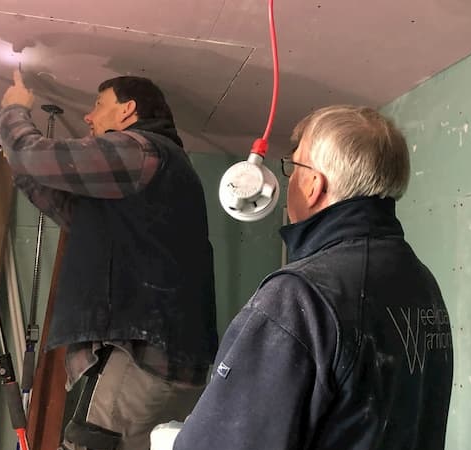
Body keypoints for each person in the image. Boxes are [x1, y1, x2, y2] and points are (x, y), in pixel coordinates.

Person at [153, 105, 453, 450]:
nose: (289, 179)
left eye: (293, 168)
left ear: (314, 184)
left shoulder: (300, 295)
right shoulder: (419, 281)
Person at [0, 70, 218, 450]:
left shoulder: (139, 150)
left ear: (128, 111)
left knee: (92, 444)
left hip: (144, 356)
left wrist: (15, 113)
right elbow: (77, 215)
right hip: (164, 358)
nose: (88, 116)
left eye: (99, 105)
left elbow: (34, 155)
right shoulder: (160, 173)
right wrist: (23, 168)